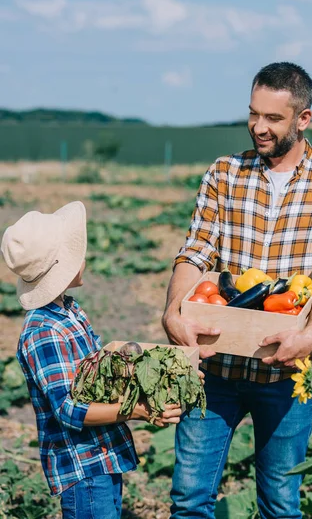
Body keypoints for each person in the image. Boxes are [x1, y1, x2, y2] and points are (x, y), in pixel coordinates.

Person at [162, 62, 312, 519]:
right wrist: (174, 309)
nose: (258, 127)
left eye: (273, 118)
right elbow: (195, 253)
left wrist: (311, 333)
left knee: (279, 504)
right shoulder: (224, 172)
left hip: (288, 370)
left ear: (303, 119)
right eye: (253, 114)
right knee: (190, 502)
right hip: (215, 365)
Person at [1, 201, 182, 519]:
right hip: (83, 469)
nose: (82, 255)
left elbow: (102, 373)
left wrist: (166, 373)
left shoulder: (70, 311)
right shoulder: (44, 332)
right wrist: (138, 410)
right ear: (61, 266)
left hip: (103, 457)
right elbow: (71, 410)